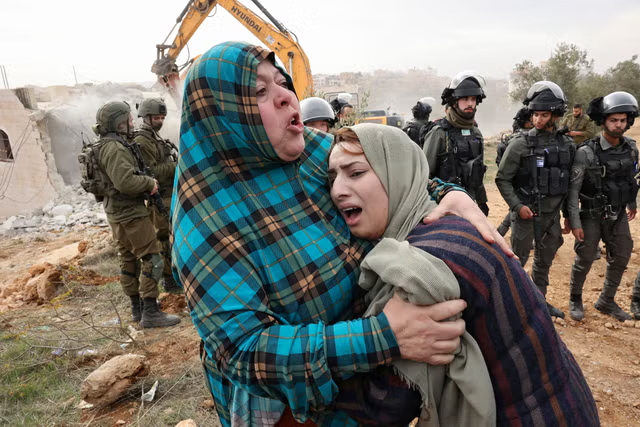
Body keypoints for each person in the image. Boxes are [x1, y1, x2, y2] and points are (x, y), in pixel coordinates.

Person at [171, 41, 512, 427]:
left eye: (282, 83)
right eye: (261, 92)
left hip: (370, 384)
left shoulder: (312, 150)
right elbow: (242, 351)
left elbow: (386, 169)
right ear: (223, 115)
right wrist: (381, 336)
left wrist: (447, 194)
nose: (286, 97)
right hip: (297, 407)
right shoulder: (206, 219)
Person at [328, 123, 599, 427]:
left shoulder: (421, 267)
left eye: (355, 173)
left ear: (397, 174)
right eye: (332, 177)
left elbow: (386, 404)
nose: (337, 190)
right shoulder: (447, 223)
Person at [93, 101, 181, 329]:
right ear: (118, 124)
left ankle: (137, 309)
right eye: (128, 120)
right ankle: (150, 311)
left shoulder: (107, 145)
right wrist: (149, 182)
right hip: (129, 212)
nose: (133, 123)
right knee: (152, 257)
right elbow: (125, 181)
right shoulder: (114, 148)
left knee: (129, 259)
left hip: (117, 212)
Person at [495, 81, 575, 319]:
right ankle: (513, 308)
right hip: (526, 216)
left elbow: (569, 185)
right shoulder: (520, 144)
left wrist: (570, 216)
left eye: (545, 114)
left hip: (551, 217)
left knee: (544, 263)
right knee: (516, 264)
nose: (539, 120)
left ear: (555, 115)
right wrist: (518, 207)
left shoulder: (567, 145)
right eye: (536, 114)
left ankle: (539, 303)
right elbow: (502, 179)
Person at [566, 91, 639, 321]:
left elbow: (630, 179)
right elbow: (573, 190)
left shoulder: (631, 148)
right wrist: (575, 222)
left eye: (623, 120)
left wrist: (632, 203)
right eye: (613, 120)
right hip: (591, 215)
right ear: (604, 121)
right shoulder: (586, 152)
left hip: (617, 213)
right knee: (586, 257)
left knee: (622, 255)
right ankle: (575, 297)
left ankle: (606, 300)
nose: (618, 125)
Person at [423, 71, 489, 216]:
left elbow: (478, 174)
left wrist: (482, 202)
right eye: (465, 99)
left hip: (471, 206)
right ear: (454, 101)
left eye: (473, 99)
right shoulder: (439, 133)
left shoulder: (476, 134)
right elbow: (424, 176)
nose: (470, 103)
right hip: (445, 208)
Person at [133, 97, 181, 293]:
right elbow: (152, 172)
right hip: (160, 197)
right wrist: (176, 165)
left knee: (172, 238)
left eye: (162, 117)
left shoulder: (154, 137)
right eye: (156, 118)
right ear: (145, 117)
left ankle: (174, 277)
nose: (160, 121)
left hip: (170, 194)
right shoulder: (142, 141)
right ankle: (169, 280)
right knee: (164, 239)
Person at [496, 107, 534, 236]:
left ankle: (501, 230)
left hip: (514, 178)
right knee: (518, 207)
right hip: (521, 180)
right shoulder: (523, 139)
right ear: (527, 122)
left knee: (516, 206)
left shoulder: (514, 135)